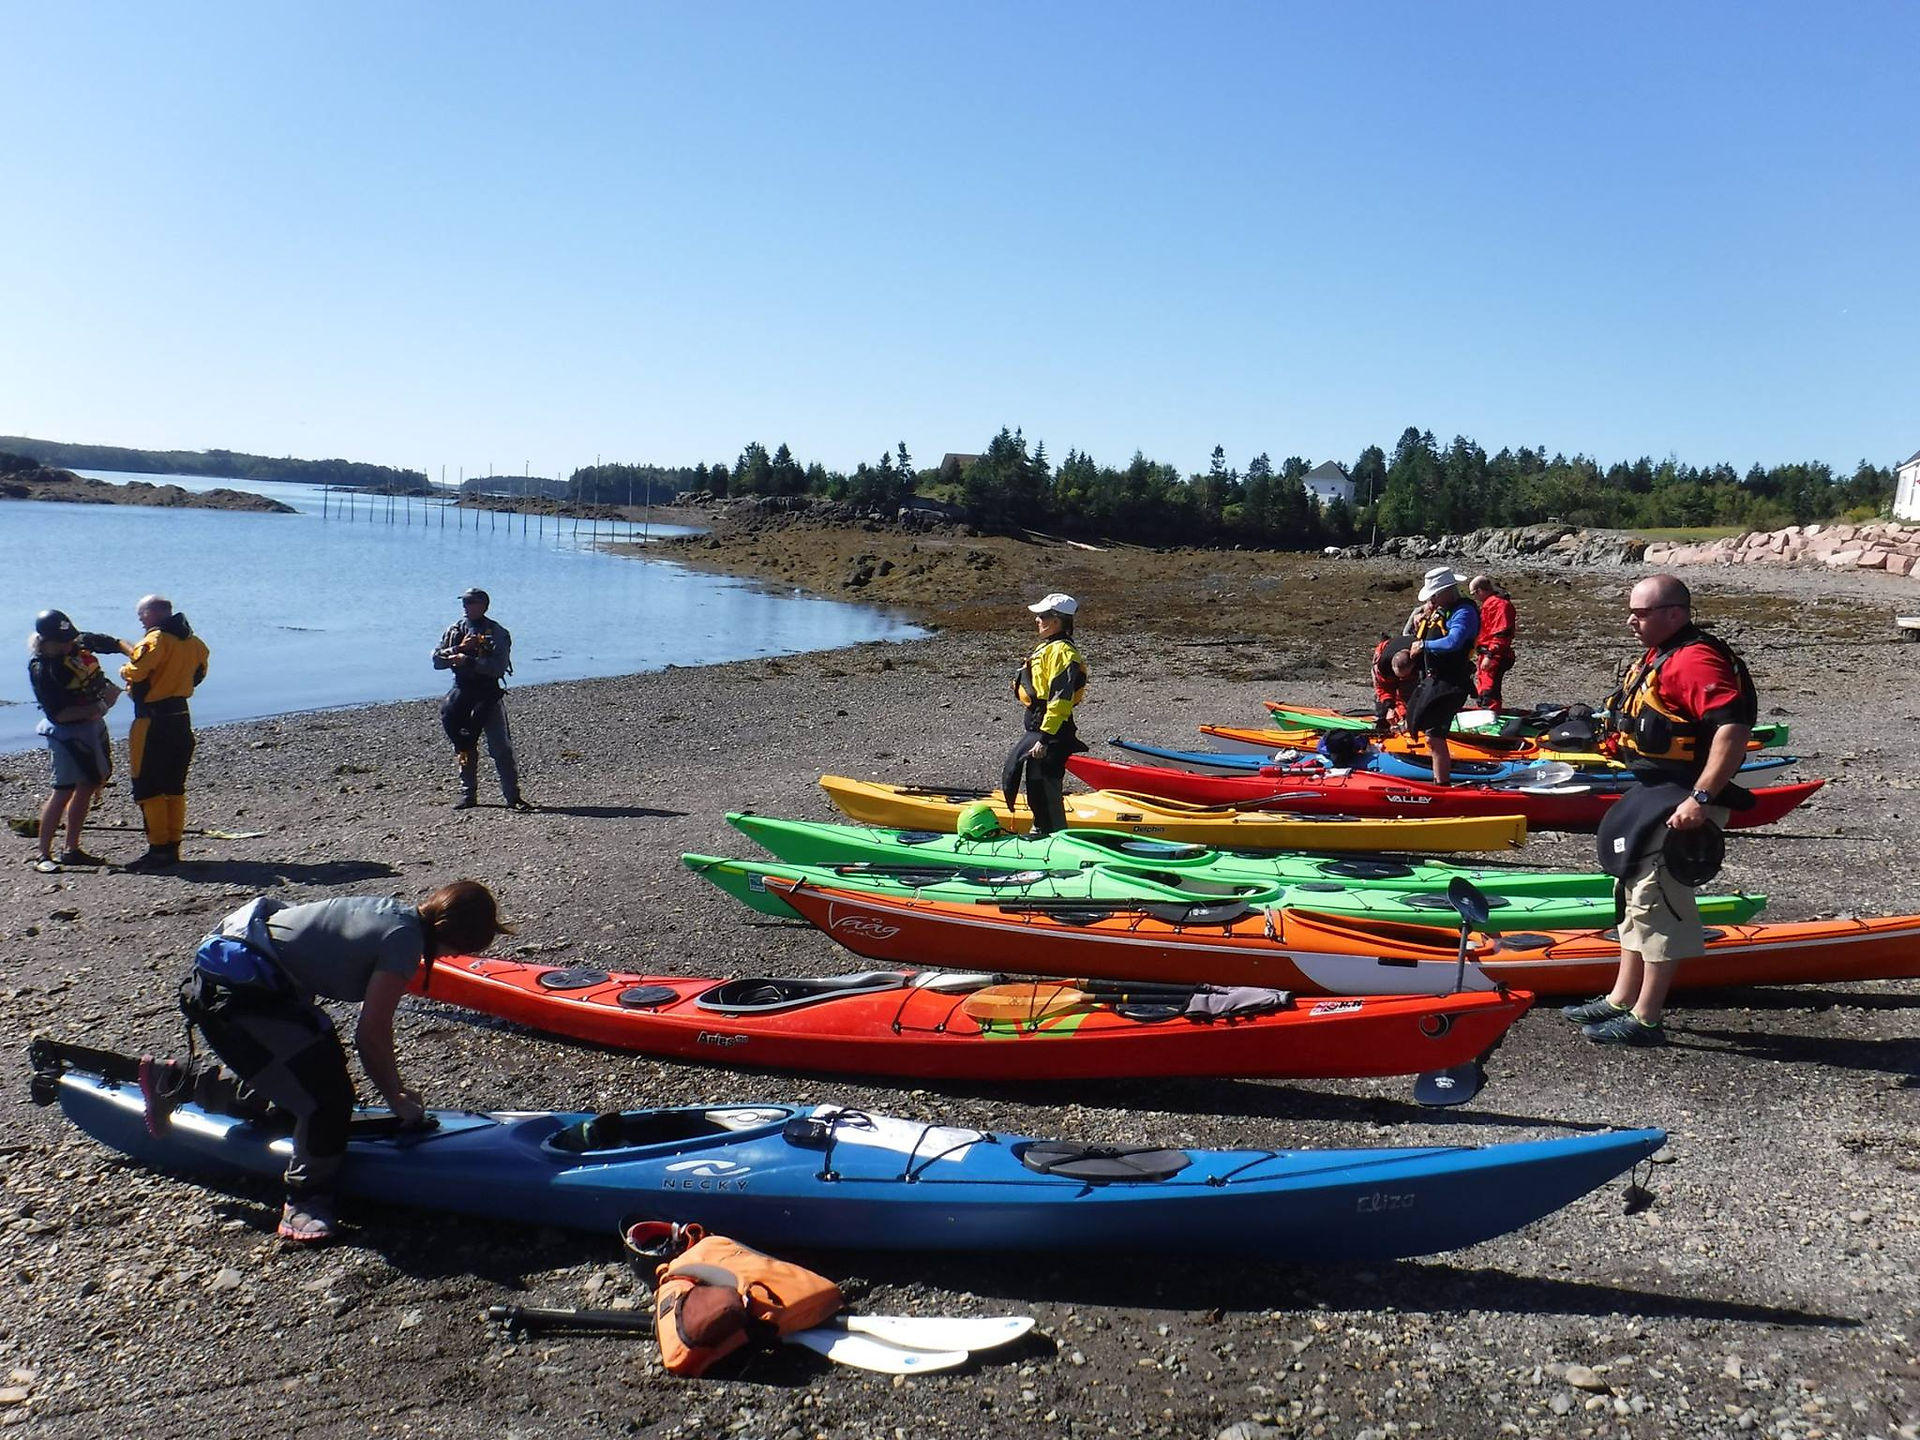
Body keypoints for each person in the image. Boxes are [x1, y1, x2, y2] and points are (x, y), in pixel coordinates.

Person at [144, 880, 512, 1244]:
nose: (449, 958)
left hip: (245, 985)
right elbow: (371, 1036)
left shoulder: (395, 914)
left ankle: (175, 1083)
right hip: (234, 998)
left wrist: (394, 1092)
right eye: (456, 951)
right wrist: (396, 1098)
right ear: (451, 934)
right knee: (328, 1101)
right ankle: (304, 1201)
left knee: (301, 1084)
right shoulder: (405, 940)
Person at [1563, 574, 1757, 1046]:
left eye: (1642, 613)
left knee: (1656, 903)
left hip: (1684, 798)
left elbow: (1732, 729)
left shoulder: (1694, 660)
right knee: (1631, 898)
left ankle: (1646, 1018)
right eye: (1631, 611)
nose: (1632, 620)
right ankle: (1620, 998)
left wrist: (1702, 798)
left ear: (1676, 614)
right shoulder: (1661, 654)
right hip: (1657, 792)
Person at [92, 594, 210, 872]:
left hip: (152, 722)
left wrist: (123, 667)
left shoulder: (156, 640)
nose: (140, 619)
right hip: (181, 718)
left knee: (148, 785)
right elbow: (199, 675)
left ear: (156, 613)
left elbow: (136, 670)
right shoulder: (195, 643)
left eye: (142, 614)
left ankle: (158, 849)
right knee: (174, 785)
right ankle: (173, 845)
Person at [26, 610, 120, 872]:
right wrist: (103, 704)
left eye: (70, 638)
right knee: (63, 789)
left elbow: (109, 642)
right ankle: (43, 855)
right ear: (46, 641)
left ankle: (72, 849)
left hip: (91, 727)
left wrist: (133, 652)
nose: (70, 645)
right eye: (63, 641)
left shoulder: (74, 644)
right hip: (66, 733)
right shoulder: (43, 669)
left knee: (89, 783)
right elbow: (61, 714)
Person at [432, 588, 531, 811]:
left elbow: (498, 668)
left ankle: (513, 797)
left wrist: (469, 661)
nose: (465, 606)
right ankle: (469, 795)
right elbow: (437, 660)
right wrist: (458, 650)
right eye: (464, 602)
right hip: (461, 694)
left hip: (487, 696)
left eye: (471, 602)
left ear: (483, 606)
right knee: (464, 745)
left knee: (500, 747)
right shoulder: (455, 629)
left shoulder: (497, 633)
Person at [1003, 592, 1088, 836]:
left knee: (1045, 789)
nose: (1037, 620)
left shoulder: (1062, 652)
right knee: (1036, 787)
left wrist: (1046, 738)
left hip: (1051, 732)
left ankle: (1054, 837)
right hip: (1040, 728)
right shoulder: (1048, 647)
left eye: (1042, 616)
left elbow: (1060, 699)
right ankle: (1041, 830)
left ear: (1056, 621)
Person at [1403, 566, 1480, 784]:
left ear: (1447, 591)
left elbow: (1454, 641)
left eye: (1435, 595)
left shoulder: (1464, 612)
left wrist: (1424, 644)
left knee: (1435, 736)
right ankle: (1439, 781)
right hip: (1436, 679)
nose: (1433, 600)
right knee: (1429, 732)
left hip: (1453, 682)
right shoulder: (1443, 608)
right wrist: (1423, 619)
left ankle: (1442, 785)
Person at [1468, 574, 1518, 710]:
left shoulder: (1500, 605)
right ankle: (1485, 712)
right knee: (1484, 688)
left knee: (1490, 691)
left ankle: (1490, 715)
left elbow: (1502, 634)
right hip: (1487, 653)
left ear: (1479, 591)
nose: (1475, 597)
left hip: (1494, 655)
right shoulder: (1491, 604)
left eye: (1474, 594)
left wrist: (1490, 655)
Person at [1371, 633, 1417, 735]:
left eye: (1403, 677)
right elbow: (1382, 688)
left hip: (1413, 671)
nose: (1400, 679)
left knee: (1410, 696)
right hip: (1386, 652)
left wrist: (1404, 714)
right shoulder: (1382, 666)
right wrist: (1390, 707)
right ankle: (1382, 725)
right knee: (1382, 707)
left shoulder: (1422, 661)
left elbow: (1404, 694)